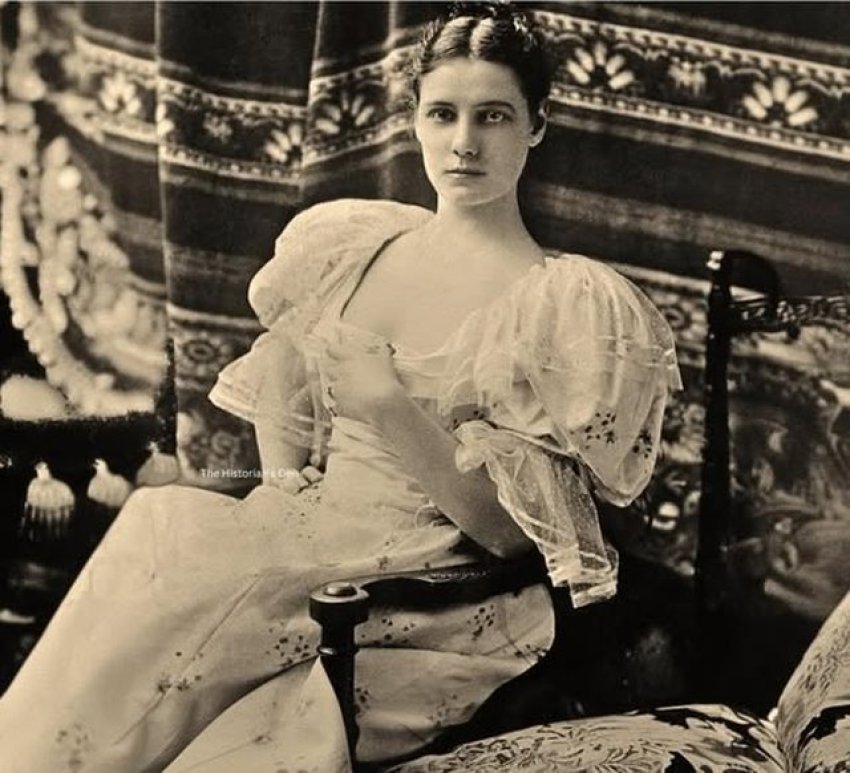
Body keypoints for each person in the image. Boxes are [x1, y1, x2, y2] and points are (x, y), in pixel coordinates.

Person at [0, 3, 682, 771]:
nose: (464, 142)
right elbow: (284, 367)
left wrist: (386, 403)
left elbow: (506, 534)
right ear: (415, 120)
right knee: (159, 531)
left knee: (207, 644)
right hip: (321, 542)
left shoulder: (558, 303)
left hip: (437, 591)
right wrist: (285, 478)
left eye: (493, 116)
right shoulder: (360, 244)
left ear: (537, 125)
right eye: (443, 113)